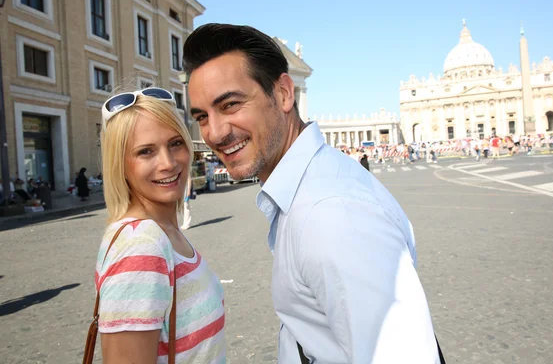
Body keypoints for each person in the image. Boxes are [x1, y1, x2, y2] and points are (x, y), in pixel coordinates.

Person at [184, 23, 441, 363]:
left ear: (284, 94)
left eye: (230, 105)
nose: (214, 132)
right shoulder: (308, 191)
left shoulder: (333, 214)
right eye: (202, 116)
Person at [95, 90, 225, 362]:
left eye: (176, 143)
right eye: (146, 152)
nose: (168, 163)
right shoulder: (141, 245)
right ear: (120, 164)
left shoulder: (165, 232)